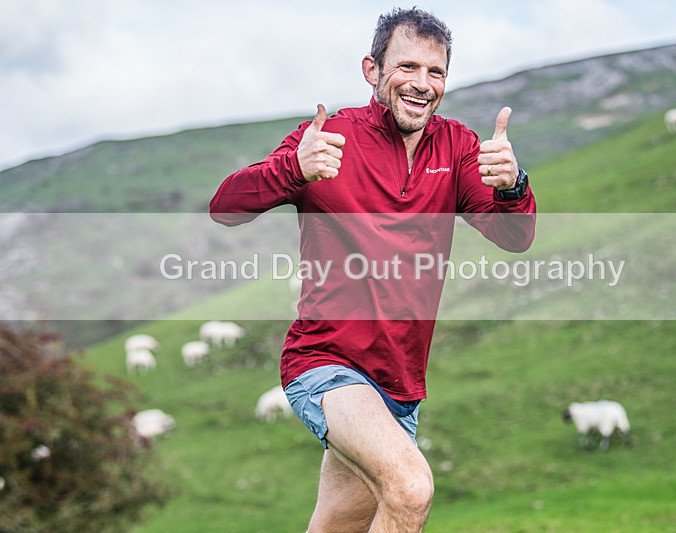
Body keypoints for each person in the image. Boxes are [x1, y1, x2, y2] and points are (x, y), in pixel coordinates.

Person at [210, 7, 536, 532]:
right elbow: (224, 208)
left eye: (436, 72)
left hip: (400, 384)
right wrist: (292, 168)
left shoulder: (457, 148)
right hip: (326, 361)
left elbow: (514, 236)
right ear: (372, 70)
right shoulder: (328, 137)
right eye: (407, 67)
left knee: (337, 526)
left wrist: (514, 185)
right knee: (410, 489)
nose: (422, 84)